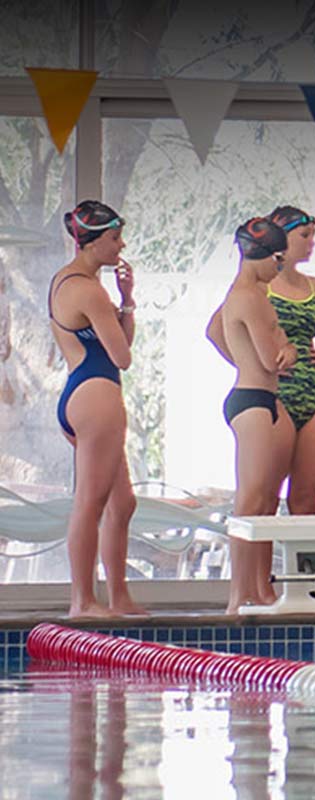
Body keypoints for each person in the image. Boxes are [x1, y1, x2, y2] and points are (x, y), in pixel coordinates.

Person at [208, 207, 315, 521]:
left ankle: (300, 556)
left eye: (313, 235)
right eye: (305, 235)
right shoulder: (257, 287)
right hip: (275, 394)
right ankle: (259, 556)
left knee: (306, 500)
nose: (312, 242)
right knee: (265, 498)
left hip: (313, 392)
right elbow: (216, 330)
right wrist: (248, 365)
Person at [47, 201, 145, 618]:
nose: (121, 246)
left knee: (122, 503)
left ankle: (118, 596)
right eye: (114, 238)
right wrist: (119, 305)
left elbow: (117, 344)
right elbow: (123, 356)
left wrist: (127, 300)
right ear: (90, 242)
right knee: (91, 501)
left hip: (81, 391)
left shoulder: (65, 280)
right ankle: (83, 601)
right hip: (97, 396)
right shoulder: (88, 290)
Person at [209, 218, 298, 614]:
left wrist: (241, 359)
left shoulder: (240, 293)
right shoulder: (250, 297)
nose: (280, 269)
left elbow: (214, 331)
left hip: (256, 397)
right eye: (278, 260)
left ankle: (253, 591)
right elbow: (271, 359)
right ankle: (237, 596)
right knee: (249, 501)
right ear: (260, 255)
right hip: (252, 401)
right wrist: (289, 350)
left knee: (261, 501)